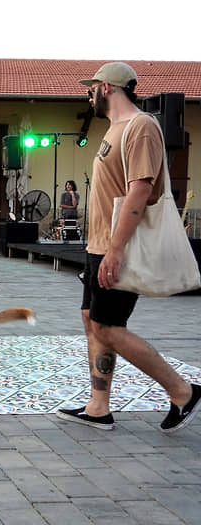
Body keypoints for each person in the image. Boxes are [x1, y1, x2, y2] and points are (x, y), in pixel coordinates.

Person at [56, 62, 200, 433]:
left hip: (118, 247)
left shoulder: (141, 127)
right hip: (99, 244)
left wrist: (116, 249)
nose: (88, 96)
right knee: (92, 319)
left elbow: (141, 189)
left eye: (91, 89)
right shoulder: (114, 129)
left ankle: (183, 391)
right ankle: (98, 406)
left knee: (107, 327)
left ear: (106, 87)